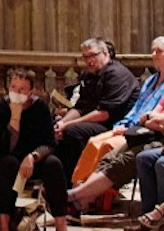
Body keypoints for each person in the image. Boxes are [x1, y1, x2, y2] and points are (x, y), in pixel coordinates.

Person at [69, 37, 164, 212]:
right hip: (138, 128)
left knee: (119, 154)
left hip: (157, 135)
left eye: (159, 51)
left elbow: (158, 118)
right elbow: (141, 109)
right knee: (104, 151)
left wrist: (150, 119)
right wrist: (126, 124)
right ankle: (85, 199)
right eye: (153, 50)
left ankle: (76, 196)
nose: (154, 55)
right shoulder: (151, 80)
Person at [0, 68, 72, 231]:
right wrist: (14, 118)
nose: (17, 92)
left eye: (22, 89)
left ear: (31, 92)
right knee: (9, 164)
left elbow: (50, 143)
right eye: (14, 87)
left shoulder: (39, 108)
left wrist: (33, 156)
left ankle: (62, 229)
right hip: (4, 158)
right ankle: (3, 230)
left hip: (33, 158)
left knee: (54, 164)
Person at [54, 39, 139, 178]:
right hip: (94, 122)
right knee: (54, 126)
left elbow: (104, 114)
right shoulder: (89, 75)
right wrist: (62, 123)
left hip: (114, 125)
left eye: (93, 55)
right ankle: (56, 181)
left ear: (105, 53)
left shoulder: (117, 74)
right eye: (85, 57)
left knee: (73, 132)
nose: (89, 61)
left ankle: (76, 180)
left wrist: (67, 125)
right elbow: (80, 107)